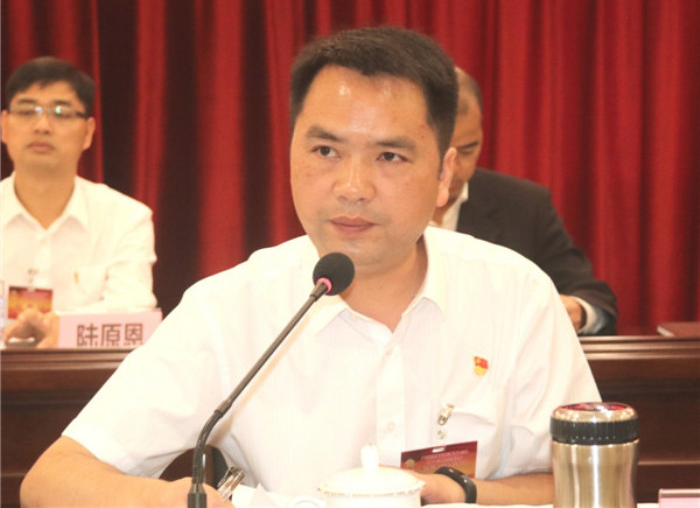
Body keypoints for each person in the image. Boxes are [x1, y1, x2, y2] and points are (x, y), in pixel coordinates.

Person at [20, 27, 599, 507]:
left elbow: (586, 486)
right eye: (325, 151)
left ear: (445, 174)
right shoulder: (228, 308)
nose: (352, 187)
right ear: (291, 152)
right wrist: (177, 501)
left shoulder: (517, 295)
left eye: (390, 156)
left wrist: (462, 494)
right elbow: (51, 481)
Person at [432, 68, 618, 334]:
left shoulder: (524, 205)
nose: (456, 167)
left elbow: (592, 297)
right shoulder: (379, 205)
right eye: (442, 153)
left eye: (469, 149)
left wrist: (575, 309)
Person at [1, 57, 157, 348]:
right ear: (4, 126)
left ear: (88, 133)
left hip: (93, 378)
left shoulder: (126, 218)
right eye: (27, 111)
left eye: (61, 112)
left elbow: (135, 313)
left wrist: (60, 328)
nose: (42, 125)